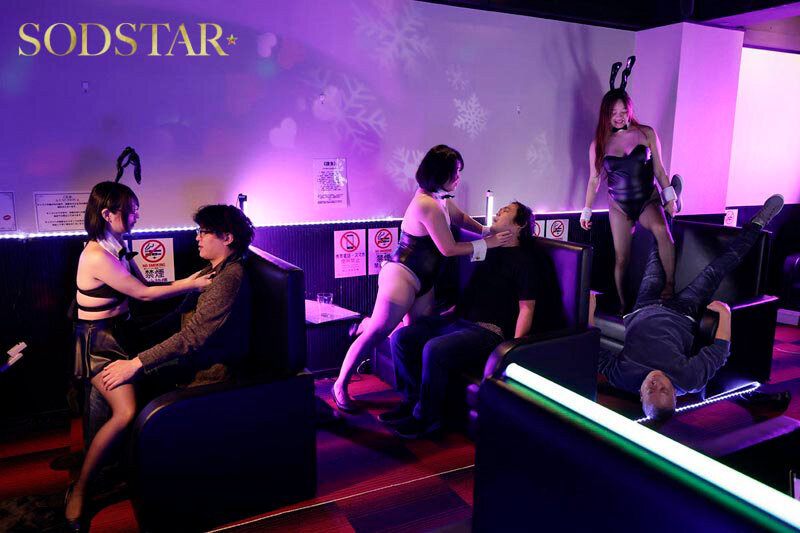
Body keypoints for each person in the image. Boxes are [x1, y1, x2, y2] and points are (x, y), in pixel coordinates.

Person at [66, 182, 212, 529]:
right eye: (130, 210)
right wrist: (192, 284)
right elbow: (143, 294)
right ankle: (80, 491)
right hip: (99, 343)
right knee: (125, 411)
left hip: (122, 333)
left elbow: (142, 291)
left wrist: (188, 285)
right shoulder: (96, 255)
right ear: (107, 214)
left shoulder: (116, 245)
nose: (136, 216)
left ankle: (121, 469)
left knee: (108, 412)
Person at [331, 145, 514, 412]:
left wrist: (485, 230)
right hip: (402, 275)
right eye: (455, 172)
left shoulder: (440, 197)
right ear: (439, 174)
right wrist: (488, 242)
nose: (459, 178)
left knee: (414, 334)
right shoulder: (426, 204)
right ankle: (340, 385)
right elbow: (448, 249)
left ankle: (413, 397)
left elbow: (460, 218)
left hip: (426, 278)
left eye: (459, 171)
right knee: (376, 333)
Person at [592, 194, 785, 420]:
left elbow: (595, 351)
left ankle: (669, 209)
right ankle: (758, 222)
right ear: (675, 393)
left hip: (643, 307)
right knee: (717, 268)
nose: (655, 384)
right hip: (683, 312)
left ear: (641, 396)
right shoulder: (689, 380)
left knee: (657, 252)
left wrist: (589, 310)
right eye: (663, 390)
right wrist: (726, 314)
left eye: (650, 391)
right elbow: (719, 353)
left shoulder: (623, 378)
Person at [384, 201, 537, 438]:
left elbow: (526, 308)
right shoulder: (489, 250)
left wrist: (514, 349)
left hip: (488, 331)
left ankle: (426, 418)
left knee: (434, 348)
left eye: (506, 210)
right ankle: (410, 402)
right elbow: (474, 291)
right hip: (461, 321)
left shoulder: (525, 261)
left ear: (520, 225)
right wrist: (451, 314)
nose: (499, 211)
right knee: (402, 337)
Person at [101, 204, 255, 391]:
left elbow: (193, 336)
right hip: (188, 364)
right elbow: (179, 315)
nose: (197, 237)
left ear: (227, 238)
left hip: (206, 378)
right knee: (112, 373)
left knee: (119, 382)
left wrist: (136, 363)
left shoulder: (229, 279)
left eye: (204, 232)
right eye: (198, 231)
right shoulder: (211, 270)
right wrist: (141, 338)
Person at [581, 56, 681, 314]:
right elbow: (594, 179)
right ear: (606, 114)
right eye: (613, 113)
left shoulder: (646, 133)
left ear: (630, 109)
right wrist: (586, 211)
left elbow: (659, 169)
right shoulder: (599, 143)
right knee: (621, 257)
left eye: (623, 111)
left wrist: (670, 197)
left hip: (647, 199)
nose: (619, 117)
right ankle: (624, 306)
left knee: (662, 231)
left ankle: (670, 285)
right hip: (619, 205)